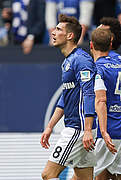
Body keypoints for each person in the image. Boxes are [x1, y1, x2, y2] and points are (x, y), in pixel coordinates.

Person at [40, 14, 96, 180]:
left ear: (70, 35)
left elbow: (89, 93)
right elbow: (65, 98)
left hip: (78, 130)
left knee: (48, 174)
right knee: (83, 178)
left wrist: (87, 130)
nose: (53, 33)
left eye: (58, 29)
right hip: (80, 129)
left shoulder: (82, 60)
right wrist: (50, 126)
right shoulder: (67, 62)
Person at [93, 17, 121, 180]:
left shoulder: (100, 64)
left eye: (103, 30)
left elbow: (100, 100)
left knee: (92, 175)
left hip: (106, 129)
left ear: (110, 39)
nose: (99, 30)